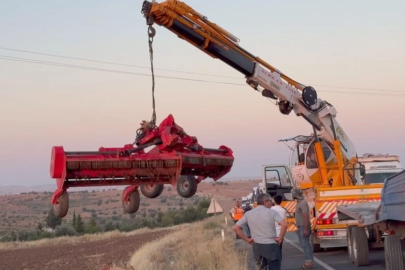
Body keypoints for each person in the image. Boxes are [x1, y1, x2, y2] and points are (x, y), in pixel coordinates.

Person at [234, 193, 288, 270]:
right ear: (265, 202)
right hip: (271, 246)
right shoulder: (271, 212)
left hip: (257, 246)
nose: (271, 203)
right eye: (270, 201)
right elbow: (284, 225)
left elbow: (236, 227)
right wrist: (280, 238)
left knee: (261, 267)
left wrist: (247, 239)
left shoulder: (249, 213)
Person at [293, 188, 315, 269]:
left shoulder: (303, 203)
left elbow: (305, 216)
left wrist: (305, 228)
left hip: (303, 227)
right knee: (303, 245)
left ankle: (309, 262)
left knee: (306, 245)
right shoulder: (299, 203)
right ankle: (307, 261)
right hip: (300, 227)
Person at [271, 195, 287, 259]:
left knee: (273, 249)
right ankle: (279, 261)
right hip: (280, 232)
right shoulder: (283, 210)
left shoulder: (271, 209)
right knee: (279, 249)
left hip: (272, 232)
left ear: (274, 201)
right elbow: (284, 221)